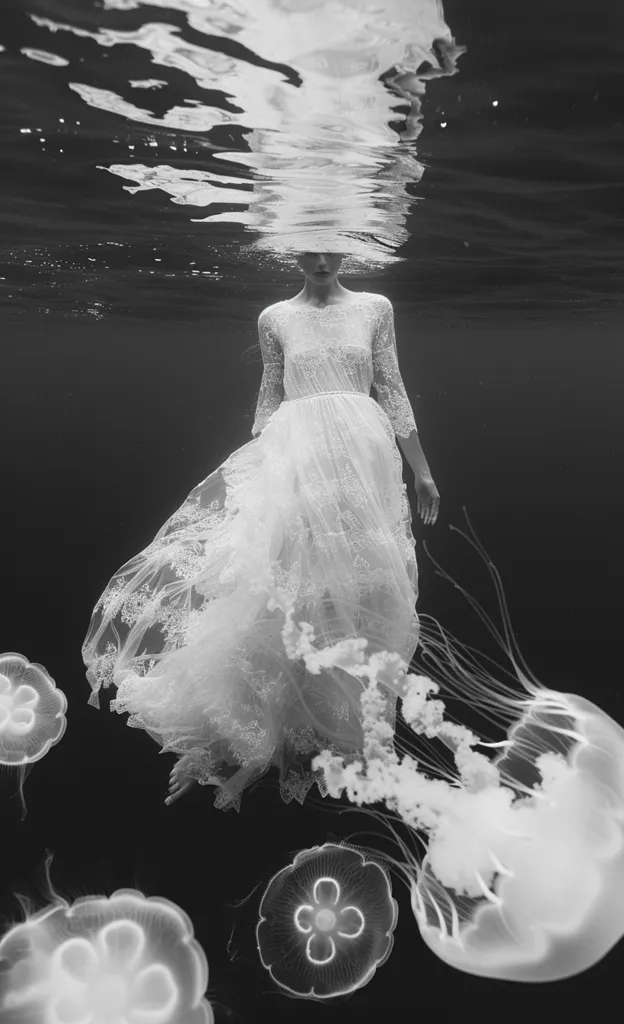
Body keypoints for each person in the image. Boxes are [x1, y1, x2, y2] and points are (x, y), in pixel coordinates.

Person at [81, 252, 440, 811]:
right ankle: (219, 741)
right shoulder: (275, 317)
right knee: (272, 591)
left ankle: (340, 730)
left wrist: (422, 471)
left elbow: (391, 389)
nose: (320, 258)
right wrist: (257, 476)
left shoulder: (375, 308)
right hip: (294, 461)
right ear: (292, 249)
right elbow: (270, 397)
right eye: (308, 248)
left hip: (362, 467)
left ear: (346, 246)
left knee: (355, 593)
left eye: (330, 246)